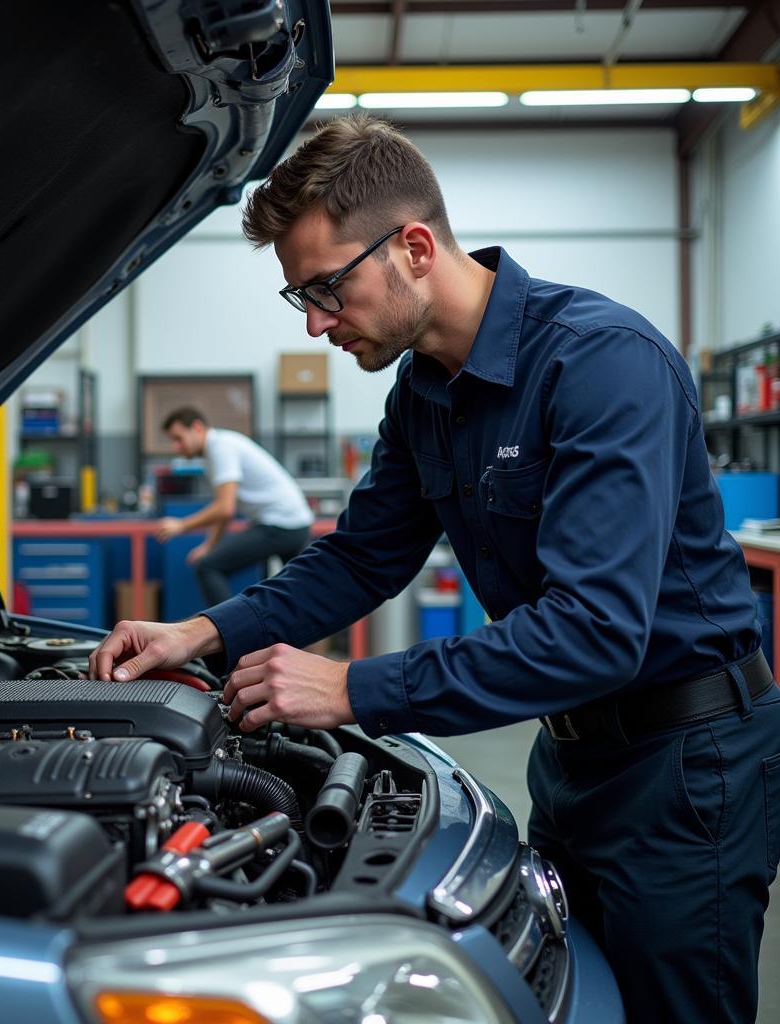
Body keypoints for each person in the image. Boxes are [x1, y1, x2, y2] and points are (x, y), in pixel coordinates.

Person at [91, 116, 780, 1023]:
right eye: (298, 296)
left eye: (327, 288)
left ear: (414, 246)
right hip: (572, 760)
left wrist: (354, 689)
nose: (315, 322)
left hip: (689, 769)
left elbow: (594, 631)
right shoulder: (421, 397)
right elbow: (361, 556)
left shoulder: (602, 364)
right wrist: (204, 632)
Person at [155, 406, 313, 606]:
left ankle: (228, 633)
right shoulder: (216, 450)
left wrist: (181, 525)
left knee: (208, 567)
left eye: (178, 438)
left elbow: (224, 507)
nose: (176, 447)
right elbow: (224, 511)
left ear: (197, 427)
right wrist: (209, 545)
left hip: (280, 524)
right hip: (294, 524)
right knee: (297, 597)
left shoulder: (220, 447)